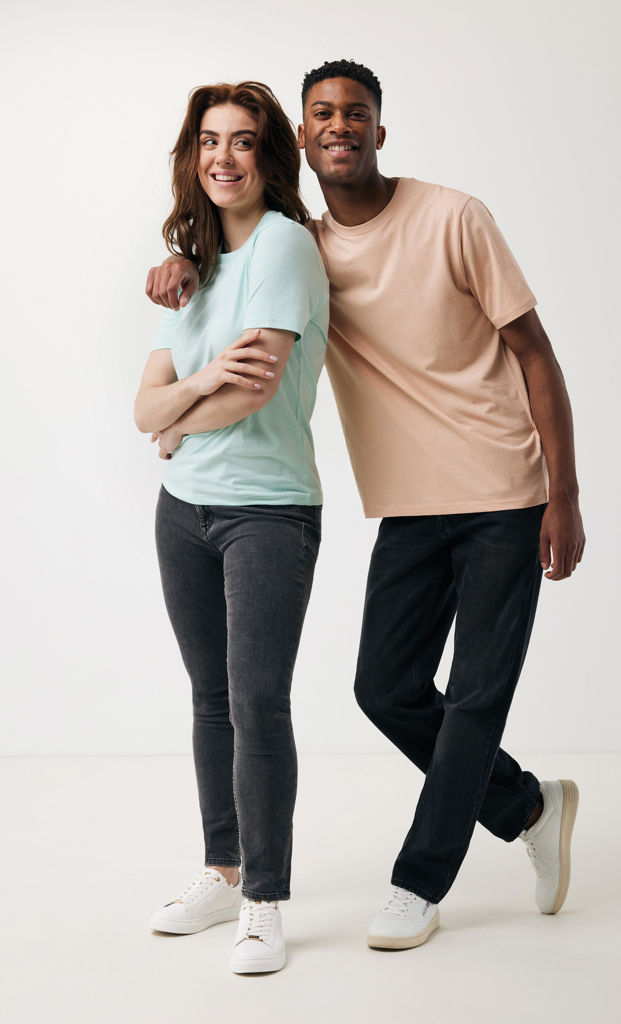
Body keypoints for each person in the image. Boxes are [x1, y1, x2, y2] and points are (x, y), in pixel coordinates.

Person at [146, 60, 585, 952]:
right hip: (410, 503)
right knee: (383, 689)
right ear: (302, 140)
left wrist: (563, 492)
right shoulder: (303, 245)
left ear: (379, 131)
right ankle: (528, 807)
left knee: (474, 698)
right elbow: (242, 257)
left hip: (504, 488)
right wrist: (182, 262)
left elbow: (534, 351)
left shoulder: (454, 217)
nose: (339, 125)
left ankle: (418, 884)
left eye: (355, 113)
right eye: (321, 114)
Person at [134, 81, 329, 974]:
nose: (223, 156)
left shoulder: (284, 244)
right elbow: (144, 406)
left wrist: (179, 417)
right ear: (192, 156)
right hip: (183, 511)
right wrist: (191, 394)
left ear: (267, 156)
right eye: (209, 141)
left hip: (267, 508)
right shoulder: (196, 264)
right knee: (210, 699)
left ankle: (265, 901)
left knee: (256, 702)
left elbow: (255, 388)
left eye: (242, 141)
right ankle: (223, 869)